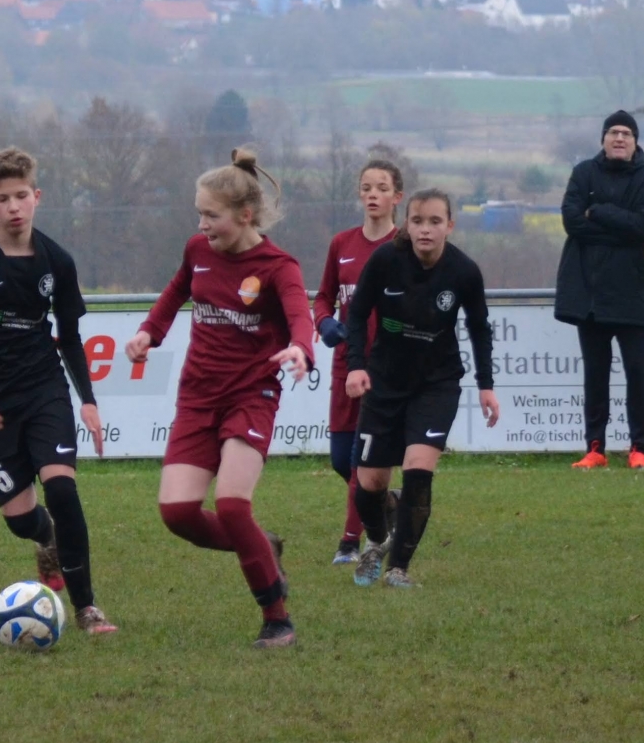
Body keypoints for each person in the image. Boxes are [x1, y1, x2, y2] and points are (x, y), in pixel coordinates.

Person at [126, 149, 313, 648]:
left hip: (251, 395)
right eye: (199, 214)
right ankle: (262, 547)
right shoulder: (198, 250)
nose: (201, 224)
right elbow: (176, 291)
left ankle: (277, 619)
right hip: (198, 396)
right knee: (178, 514)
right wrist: (149, 332)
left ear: (245, 215)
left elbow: (300, 315)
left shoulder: (277, 266)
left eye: (211, 215)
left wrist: (301, 348)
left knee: (232, 505)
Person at [0, 147, 116, 635]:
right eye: (2, 198)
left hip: (43, 387)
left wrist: (87, 400)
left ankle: (87, 608)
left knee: (62, 488)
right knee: (20, 519)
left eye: (21, 196)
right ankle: (45, 537)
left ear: (37, 197)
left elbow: (69, 337)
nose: (13, 207)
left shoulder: (58, 261)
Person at [343, 189, 498, 588]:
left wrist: (486, 385)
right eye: (417, 221)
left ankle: (399, 569)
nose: (425, 229)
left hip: (436, 385)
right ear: (406, 225)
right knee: (369, 485)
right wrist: (356, 366)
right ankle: (380, 536)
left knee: (418, 471)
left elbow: (479, 328)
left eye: (434, 221)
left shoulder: (464, 271)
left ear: (450, 225)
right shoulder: (385, 260)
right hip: (384, 382)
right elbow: (356, 315)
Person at [555, 110, 644, 471]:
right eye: (613, 132)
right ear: (603, 139)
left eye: (626, 133)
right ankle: (595, 449)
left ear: (635, 142)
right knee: (595, 376)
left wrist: (598, 211)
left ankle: (640, 450)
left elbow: (643, 226)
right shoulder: (583, 173)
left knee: (638, 375)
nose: (619, 138)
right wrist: (622, 230)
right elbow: (572, 222)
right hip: (590, 295)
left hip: (633, 293)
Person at [312, 158, 403, 564]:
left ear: (397, 197)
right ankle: (388, 504)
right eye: (366, 188)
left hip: (385, 368)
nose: (373, 195)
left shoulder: (404, 246)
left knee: (359, 462)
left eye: (382, 188)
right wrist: (324, 321)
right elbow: (323, 297)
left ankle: (350, 543)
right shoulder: (341, 244)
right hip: (346, 365)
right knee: (341, 458)